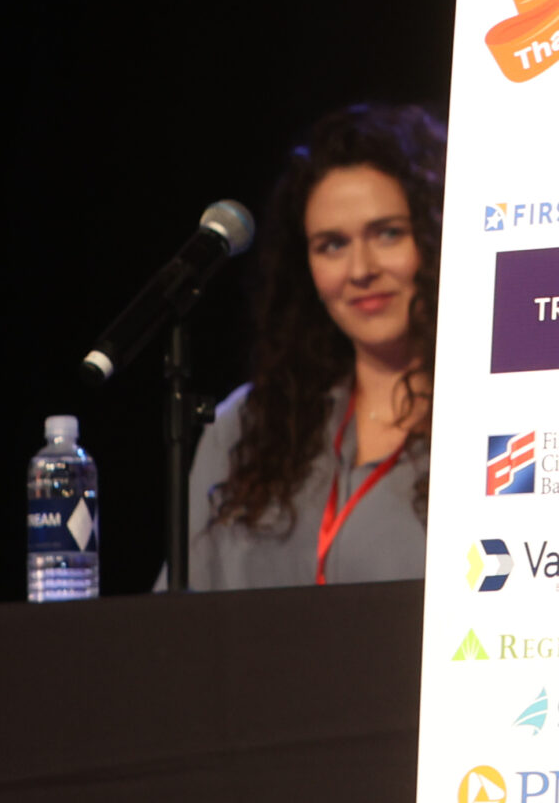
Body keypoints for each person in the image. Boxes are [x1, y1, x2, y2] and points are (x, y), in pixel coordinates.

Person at [165, 103, 443, 591]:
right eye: (332, 244)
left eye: (388, 234)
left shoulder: (491, 426)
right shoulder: (247, 426)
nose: (360, 270)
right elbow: (172, 620)